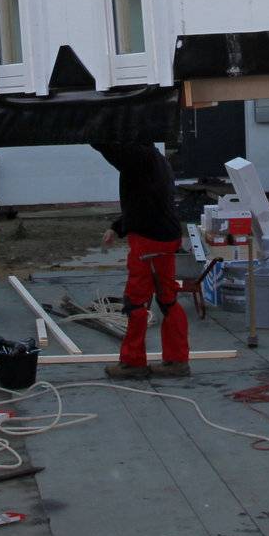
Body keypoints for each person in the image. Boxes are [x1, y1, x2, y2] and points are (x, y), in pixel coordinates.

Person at [95, 142, 189, 381]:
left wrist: (90, 129)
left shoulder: (138, 159)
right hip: (165, 235)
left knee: (136, 302)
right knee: (168, 298)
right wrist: (118, 227)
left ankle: (133, 362)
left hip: (149, 240)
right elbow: (142, 201)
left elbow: (107, 146)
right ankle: (177, 360)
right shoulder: (153, 161)